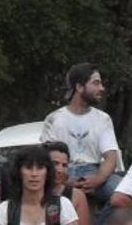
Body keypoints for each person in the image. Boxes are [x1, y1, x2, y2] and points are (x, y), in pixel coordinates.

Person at [43, 63, 123, 204]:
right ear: (79, 87)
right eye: (96, 83)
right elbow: (48, 158)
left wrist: (97, 180)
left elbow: (111, 158)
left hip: (96, 172)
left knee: (123, 193)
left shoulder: (103, 119)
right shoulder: (54, 119)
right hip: (63, 172)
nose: (101, 88)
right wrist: (66, 181)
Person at [0, 144, 78, 225]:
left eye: (40, 168)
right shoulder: (5, 210)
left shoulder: (63, 205)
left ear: (47, 172)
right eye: (28, 168)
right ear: (19, 173)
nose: (34, 174)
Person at [45, 141, 92, 225]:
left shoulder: (76, 196)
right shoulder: (32, 193)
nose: (60, 170)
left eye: (64, 165)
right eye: (55, 163)